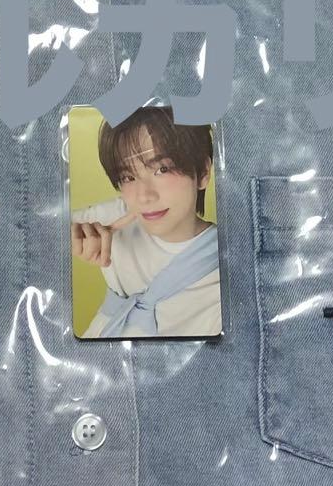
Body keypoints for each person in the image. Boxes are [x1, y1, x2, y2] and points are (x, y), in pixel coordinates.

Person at [71, 106, 221, 338]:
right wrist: (73, 238)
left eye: (162, 169)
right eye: (128, 177)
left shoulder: (227, 267)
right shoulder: (117, 217)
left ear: (203, 172)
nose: (144, 196)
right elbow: (26, 234)